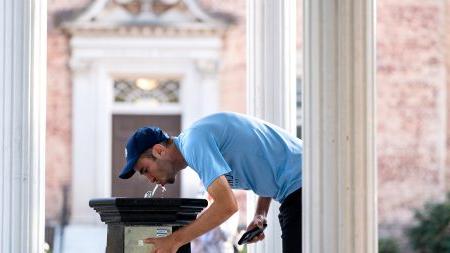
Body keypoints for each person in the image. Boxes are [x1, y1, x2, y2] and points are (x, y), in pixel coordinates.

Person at [119, 112, 302, 253]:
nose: (150, 179)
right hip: (297, 186)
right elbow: (269, 162)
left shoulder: (193, 143)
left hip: (303, 183)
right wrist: (260, 213)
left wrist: (174, 241)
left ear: (159, 151)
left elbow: (227, 205)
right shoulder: (195, 145)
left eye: (145, 170)